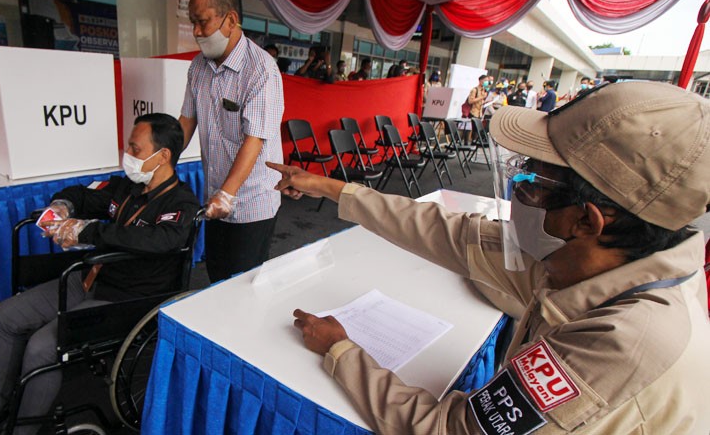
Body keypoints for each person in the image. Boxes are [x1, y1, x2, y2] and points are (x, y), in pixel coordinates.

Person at [268, 81, 710, 434]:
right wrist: (329, 187)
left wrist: (341, 350)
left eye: (534, 184)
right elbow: (452, 233)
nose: (520, 195)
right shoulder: (597, 262)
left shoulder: (619, 343)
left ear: (586, 221)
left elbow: (451, 430)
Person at [0, 114, 201, 435]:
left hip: (127, 298)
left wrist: (88, 231)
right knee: (5, 317)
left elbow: (161, 240)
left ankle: (23, 429)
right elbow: (83, 193)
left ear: (164, 155)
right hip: (88, 278)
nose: (127, 154)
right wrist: (62, 208)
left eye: (135, 147)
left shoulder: (181, 202)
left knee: (41, 348)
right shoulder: (125, 187)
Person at [179, 0, 284, 283]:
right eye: (192, 23)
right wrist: (162, 158)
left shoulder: (261, 70)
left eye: (202, 22)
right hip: (216, 198)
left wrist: (227, 193)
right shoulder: (198, 67)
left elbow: (254, 141)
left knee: (241, 284)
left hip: (251, 202)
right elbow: (186, 120)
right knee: (217, 276)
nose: (197, 32)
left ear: (231, 20)